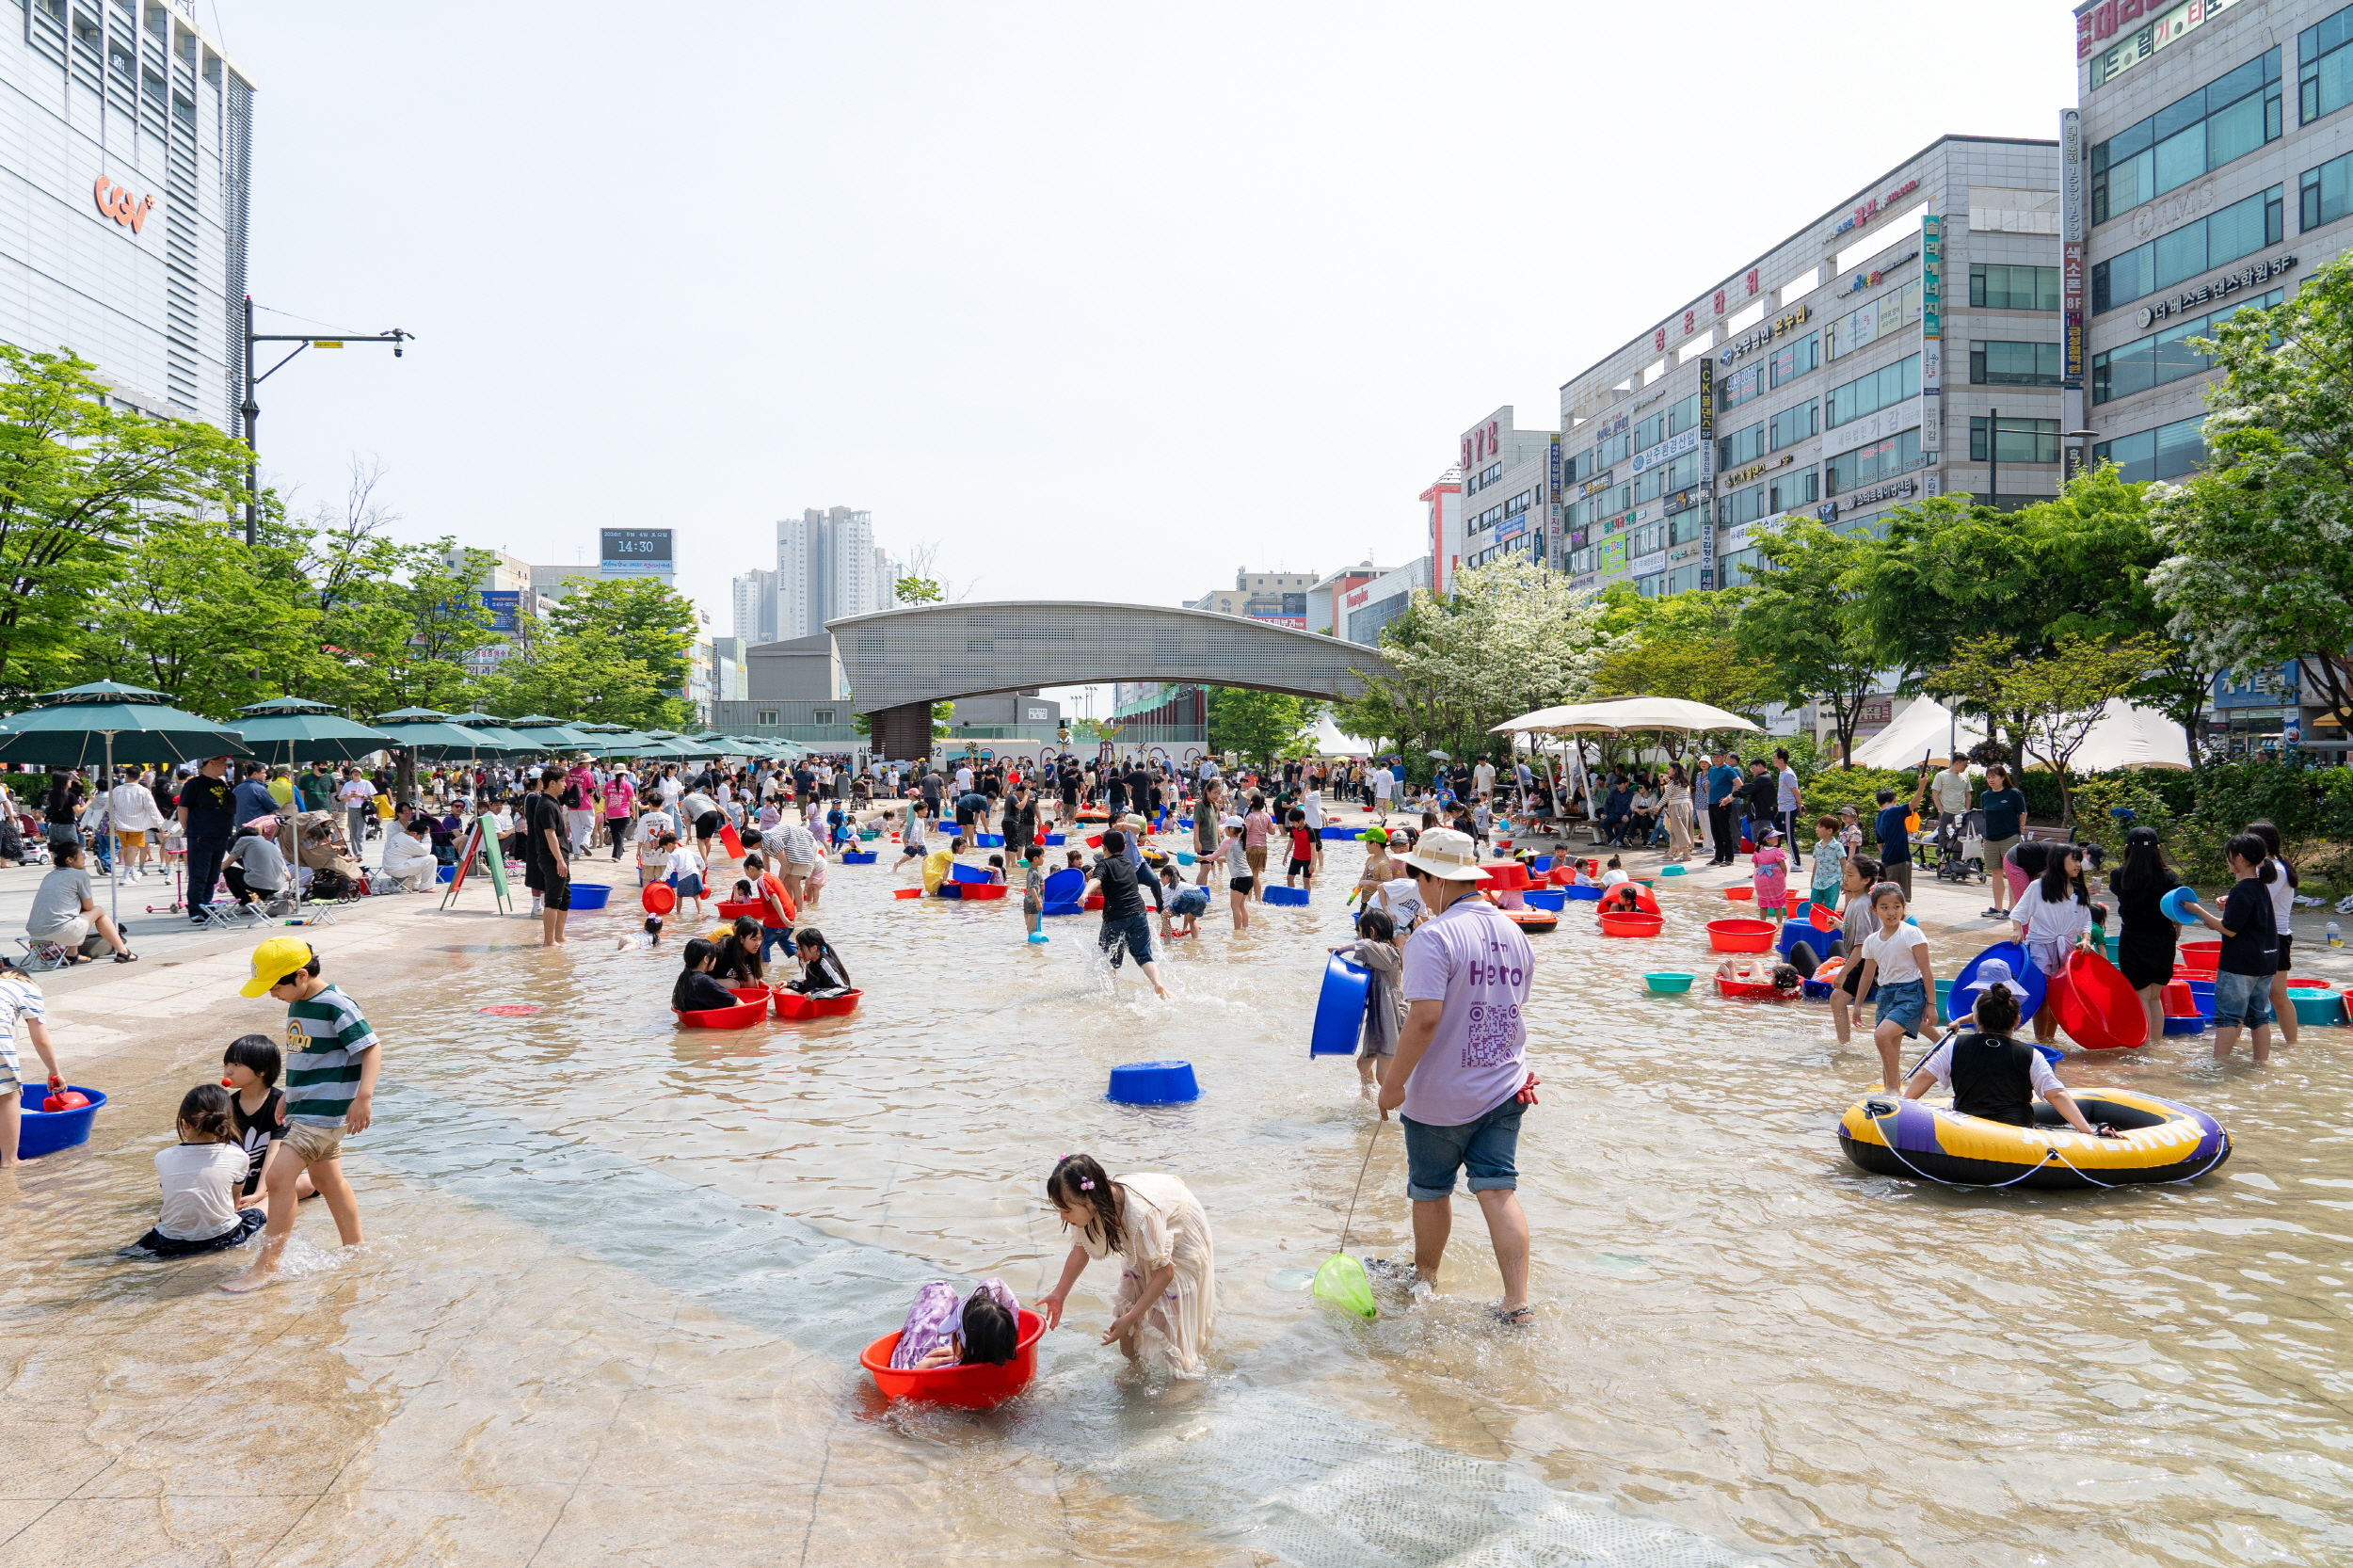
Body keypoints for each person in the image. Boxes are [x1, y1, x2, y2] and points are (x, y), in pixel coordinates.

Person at [1375, 826, 1536, 1326]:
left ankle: (1425, 1279)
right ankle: (1517, 1302)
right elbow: (1510, 1007)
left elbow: (1424, 1018)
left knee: (1430, 1188)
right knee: (1497, 1190)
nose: (1418, 889)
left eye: (1418, 878)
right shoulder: (1514, 930)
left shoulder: (1433, 935)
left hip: (1441, 1094)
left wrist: (1394, 1083)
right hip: (1506, 1085)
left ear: (1433, 879)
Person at [223, 938, 378, 1292]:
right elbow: (302, 1057)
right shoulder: (299, 1005)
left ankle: (268, 1266)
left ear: (301, 975)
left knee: (278, 1179)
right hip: (304, 1107)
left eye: (275, 986)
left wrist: (363, 1099)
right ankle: (356, 1249)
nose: (272, 994)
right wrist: (288, 1097)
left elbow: (371, 1047)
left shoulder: (334, 1005)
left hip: (325, 1110)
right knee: (328, 1182)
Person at [1034, 1153, 1216, 1374]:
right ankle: (1135, 1369)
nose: (1062, 1217)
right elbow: (1081, 1248)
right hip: (1143, 1231)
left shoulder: (1141, 1216)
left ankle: (1183, 1379)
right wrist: (1060, 1293)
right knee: (1127, 1327)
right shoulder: (1090, 1206)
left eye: (1066, 1210)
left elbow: (1166, 1272)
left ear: (1091, 1201)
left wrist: (1132, 1317)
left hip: (1181, 1227)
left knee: (1169, 1325)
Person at [1902, 984, 2111, 1135]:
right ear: (2017, 1021)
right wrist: (2088, 1131)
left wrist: (1898, 1109)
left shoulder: (1954, 1046)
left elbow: (1925, 1077)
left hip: (1966, 1130)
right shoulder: (2031, 1055)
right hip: (2016, 1133)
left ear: (1978, 1019)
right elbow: (2056, 1095)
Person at [118, 1085, 267, 1258]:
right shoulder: (238, 1156)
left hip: (170, 1240)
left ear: (184, 1124)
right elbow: (235, 1198)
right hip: (223, 1236)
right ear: (226, 1123)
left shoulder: (163, 1157)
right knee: (269, 1200)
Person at [2185, 834, 2278, 1064]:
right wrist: (2221, 916)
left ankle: (2219, 1067)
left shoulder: (2242, 889)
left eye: (2229, 857)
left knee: (2227, 1017)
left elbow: (2230, 930)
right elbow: (2244, 923)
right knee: (2259, 1017)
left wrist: (2197, 910)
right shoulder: (2260, 887)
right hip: (2265, 962)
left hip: (2240, 964)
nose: (2228, 861)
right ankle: (2261, 1064)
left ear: (2240, 858)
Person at [1848, 880, 1941, 1090]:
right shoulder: (1872, 940)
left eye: (1896, 907)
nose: (1891, 912)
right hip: (1885, 994)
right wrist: (1858, 1005)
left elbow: (1926, 970)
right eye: (1884, 907)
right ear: (1874, 910)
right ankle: (1947, 1049)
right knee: (1890, 1045)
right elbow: (1867, 974)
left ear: (1903, 907)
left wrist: (1931, 1005)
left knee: (1881, 1036)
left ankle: (1893, 1090)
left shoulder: (1912, 933)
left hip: (1910, 992)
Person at [2010, 843, 2095, 1046]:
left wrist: (2085, 938)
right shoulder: (2038, 886)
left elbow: (2086, 919)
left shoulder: (2078, 889)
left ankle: (2051, 1038)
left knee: (2059, 996)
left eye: (2079, 860)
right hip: (2040, 946)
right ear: (2059, 861)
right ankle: (2041, 1039)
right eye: (2074, 859)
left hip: (2067, 948)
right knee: (2043, 995)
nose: (2078, 865)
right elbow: (2020, 912)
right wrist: (2016, 930)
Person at [2108, 825, 2183, 1048]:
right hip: (2163, 939)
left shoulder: (2119, 875)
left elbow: (2119, 892)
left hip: (2133, 939)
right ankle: (2156, 1045)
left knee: (2141, 996)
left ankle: (2143, 1048)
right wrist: (2178, 925)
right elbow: (2182, 901)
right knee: (2154, 997)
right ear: (2157, 849)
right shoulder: (2168, 876)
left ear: (2127, 848)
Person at [222, 1033, 313, 1208]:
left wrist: (259, 1193)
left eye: (236, 1064)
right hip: (234, 1185)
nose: (228, 1071)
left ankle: (262, 1202)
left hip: (270, 1182)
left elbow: (274, 1152)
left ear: (261, 1070)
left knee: (309, 1182)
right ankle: (260, 1206)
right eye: (226, 1064)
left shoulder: (279, 1104)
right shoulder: (225, 1107)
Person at [1083, 829, 1168, 998]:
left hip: (1115, 916)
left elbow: (1097, 880)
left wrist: (1085, 893)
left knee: (1108, 956)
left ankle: (1112, 993)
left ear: (1104, 848)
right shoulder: (1129, 864)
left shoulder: (1103, 864)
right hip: (1139, 913)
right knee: (1144, 955)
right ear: (1124, 847)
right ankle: (1157, 983)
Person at [25, 843, 136, 962]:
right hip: (58, 932)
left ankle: (72, 953)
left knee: (76, 914)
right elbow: (89, 907)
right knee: (98, 911)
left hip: (35, 934)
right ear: (70, 860)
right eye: (81, 854)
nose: (85, 857)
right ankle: (123, 951)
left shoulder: (50, 875)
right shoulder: (80, 875)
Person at [0, 958, 61, 1169]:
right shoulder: (27, 987)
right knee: (8, 1096)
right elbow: (40, 1038)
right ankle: (10, 1160)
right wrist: (54, 1072)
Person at [2247, 820, 2302, 1049]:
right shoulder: (2267, 867)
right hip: (2266, 936)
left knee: (2277, 994)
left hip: (2275, 937)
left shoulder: (2276, 869)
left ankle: (2292, 1044)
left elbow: (2257, 900)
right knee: (2254, 994)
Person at [1339, 906, 1404, 1094]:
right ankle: (1366, 1101)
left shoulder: (1387, 952)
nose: (1359, 938)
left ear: (1372, 932)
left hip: (1391, 1019)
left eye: (1360, 933)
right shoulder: (1378, 954)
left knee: (1385, 1077)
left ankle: (1403, 1114)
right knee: (1363, 1064)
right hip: (1379, 1019)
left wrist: (1343, 949)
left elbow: (1367, 945)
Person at [889, 1278, 1020, 1369]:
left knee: (939, 1288)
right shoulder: (1007, 1359)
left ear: (958, 1342)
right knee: (992, 1284)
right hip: (975, 1350)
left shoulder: (942, 1368)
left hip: (947, 1358)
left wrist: (959, 1354)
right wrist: (965, 1351)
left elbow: (920, 1371)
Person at [175, 756, 238, 924]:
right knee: (199, 873)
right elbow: (182, 808)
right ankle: (196, 909)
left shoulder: (222, 784)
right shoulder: (194, 784)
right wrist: (188, 829)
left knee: (213, 873)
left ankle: (207, 904)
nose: (226, 767)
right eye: (223, 764)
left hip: (221, 834)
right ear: (211, 763)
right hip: (201, 833)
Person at [1977, 764, 2027, 920]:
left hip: (2009, 836)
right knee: (1995, 872)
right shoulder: (1985, 795)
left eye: (1994, 777)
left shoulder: (2013, 793)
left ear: (2003, 777)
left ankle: (2012, 908)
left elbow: (2022, 812)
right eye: (1988, 777)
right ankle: (1997, 906)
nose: (1991, 780)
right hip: (1990, 837)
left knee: (2011, 872)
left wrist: (2020, 829)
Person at [1871, 772, 1930, 900]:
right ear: (1895, 800)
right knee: (1899, 897)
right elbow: (1914, 804)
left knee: (1887, 894)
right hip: (1900, 858)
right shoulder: (1895, 811)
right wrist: (1922, 785)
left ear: (1879, 803)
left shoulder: (1878, 817)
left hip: (1886, 860)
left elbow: (1879, 844)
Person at [108, 767, 165, 883]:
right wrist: (160, 825)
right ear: (139, 776)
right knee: (133, 850)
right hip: (137, 825)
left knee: (126, 849)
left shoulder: (116, 790)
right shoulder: (143, 791)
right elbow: (152, 809)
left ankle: (132, 872)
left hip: (120, 824)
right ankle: (125, 876)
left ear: (127, 776)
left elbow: (109, 808)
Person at [222, 825, 291, 910]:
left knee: (228, 871)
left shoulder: (244, 840)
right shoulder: (271, 844)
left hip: (259, 884)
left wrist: (214, 870)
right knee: (256, 876)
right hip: (277, 886)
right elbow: (288, 876)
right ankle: (266, 897)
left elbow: (226, 864)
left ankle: (245, 904)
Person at [672, 936, 740, 1012]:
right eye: (714, 956)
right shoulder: (706, 981)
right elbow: (737, 1003)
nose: (715, 959)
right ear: (706, 959)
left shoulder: (683, 977)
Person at [378, 812, 438, 892]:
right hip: (397, 869)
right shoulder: (408, 839)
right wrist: (427, 835)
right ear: (414, 833)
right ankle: (426, 887)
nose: (420, 838)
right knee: (431, 859)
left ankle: (416, 885)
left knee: (419, 857)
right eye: (421, 836)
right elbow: (426, 851)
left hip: (391, 867)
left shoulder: (399, 835)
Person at [1929, 756, 1972, 863]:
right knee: (1943, 839)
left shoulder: (1965, 777)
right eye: (1964, 765)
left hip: (1961, 813)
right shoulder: (1941, 775)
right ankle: (1943, 865)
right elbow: (1935, 794)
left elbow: (1968, 795)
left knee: (1960, 839)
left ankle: (1956, 863)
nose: (1965, 767)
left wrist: (1966, 811)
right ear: (1957, 763)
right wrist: (1941, 811)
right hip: (1947, 812)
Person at [783, 928, 853, 993]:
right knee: (785, 990)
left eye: (801, 949)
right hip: (821, 1000)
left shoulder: (825, 964)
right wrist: (790, 984)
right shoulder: (812, 965)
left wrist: (815, 994)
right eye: (797, 949)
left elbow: (843, 988)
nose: (798, 953)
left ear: (814, 948)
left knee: (785, 993)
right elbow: (810, 986)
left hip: (835, 1003)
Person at [1705, 748, 1741, 866]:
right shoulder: (1712, 769)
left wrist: (1730, 797)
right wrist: (1708, 797)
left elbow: (1739, 784)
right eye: (1714, 757)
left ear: (1724, 757)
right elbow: (1709, 784)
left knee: (1725, 831)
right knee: (1715, 831)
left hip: (1723, 804)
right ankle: (1718, 857)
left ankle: (1729, 858)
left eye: (1718, 757)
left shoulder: (1728, 770)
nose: (1716, 759)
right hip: (1712, 803)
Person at [661, 832, 706, 920]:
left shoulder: (673, 855)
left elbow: (669, 868)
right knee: (696, 896)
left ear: (670, 845)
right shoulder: (686, 850)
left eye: (665, 848)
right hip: (695, 873)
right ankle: (700, 912)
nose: (666, 851)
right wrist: (703, 868)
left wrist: (663, 878)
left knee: (680, 896)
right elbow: (698, 858)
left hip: (685, 876)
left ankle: (678, 913)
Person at [1807, 814, 1846, 915]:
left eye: (1820, 827)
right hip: (1818, 882)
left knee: (1829, 907)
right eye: (1817, 826)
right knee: (1813, 906)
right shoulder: (1817, 845)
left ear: (1829, 831)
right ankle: (1814, 927)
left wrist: (1844, 881)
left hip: (1833, 882)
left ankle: (1828, 928)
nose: (1817, 829)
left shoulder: (1837, 846)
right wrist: (1812, 878)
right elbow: (1816, 863)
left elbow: (1843, 864)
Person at [1159, 863, 1209, 938]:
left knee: (1164, 915)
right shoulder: (1183, 884)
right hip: (1201, 895)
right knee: (1192, 919)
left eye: (1161, 878)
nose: (1161, 881)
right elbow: (1187, 909)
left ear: (1166, 877)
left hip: (1189, 896)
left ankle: (1167, 942)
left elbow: (1166, 911)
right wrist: (1184, 928)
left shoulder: (1167, 888)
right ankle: (1195, 941)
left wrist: (1164, 928)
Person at [1220, 817, 1253, 931]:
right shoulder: (1241, 841)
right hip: (1249, 877)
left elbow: (1212, 856)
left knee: (1234, 906)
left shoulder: (1228, 842)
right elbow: (1230, 859)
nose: (1225, 830)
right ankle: (1245, 929)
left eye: (1226, 828)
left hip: (1239, 878)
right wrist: (1213, 859)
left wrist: (1199, 858)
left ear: (1232, 829)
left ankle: (1237, 932)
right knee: (1242, 905)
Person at [1752, 825, 1789, 925]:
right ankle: (1779, 923)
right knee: (1778, 903)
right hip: (1775, 879)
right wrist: (1784, 876)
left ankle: (1762, 923)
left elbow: (1756, 866)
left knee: (1763, 903)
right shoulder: (1777, 851)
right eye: (1775, 837)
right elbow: (1783, 867)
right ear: (1768, 840)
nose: (1778, 838)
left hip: (1761, 879)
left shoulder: (1758, 850)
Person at [1774, 746, 1804, 870]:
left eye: (1774, 757)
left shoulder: (1788, 774)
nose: (1773, 759)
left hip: (1788, 809)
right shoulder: (1782, 772)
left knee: (1788, 835)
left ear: (1781, 760)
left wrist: (1799, 805)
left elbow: (1796, 791)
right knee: (1775, 835)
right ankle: (1775, 859)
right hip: (1781, 808)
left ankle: (1797, 863)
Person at [1283, 808, 1315, 893]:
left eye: (1293, 822)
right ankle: (1292, 896)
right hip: (1296, 857)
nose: (1292, 824)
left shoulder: (1309, 831)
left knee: (1306, 880)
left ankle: (1306, 899)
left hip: (1307, 859)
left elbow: (1313, 848)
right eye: (1291, 822)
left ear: (1301, 820)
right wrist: (1285, 855)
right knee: (1289, 878)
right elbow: (1290, 842)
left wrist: (1312, 863)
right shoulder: (1293, 829)